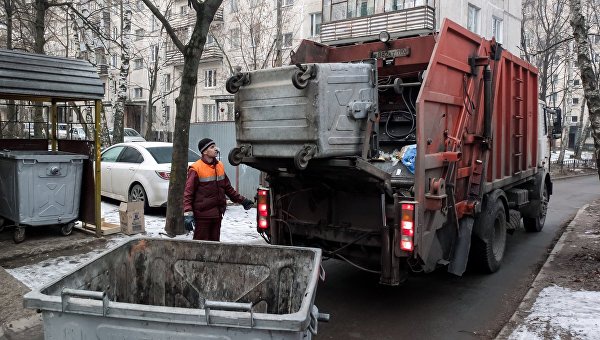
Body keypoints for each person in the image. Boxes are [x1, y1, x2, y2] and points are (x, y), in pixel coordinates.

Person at [184, 138, 254, 241]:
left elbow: (227, 188)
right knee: (200, 245)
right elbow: (188, 193)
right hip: (203, 216)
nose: (216, 149)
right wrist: (188, 214)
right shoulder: (196, 168)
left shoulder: (219, 166)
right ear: (204, 151)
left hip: (217, 214)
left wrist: (242, 200)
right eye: (212, 147)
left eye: (215, 146)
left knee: (214, 246)